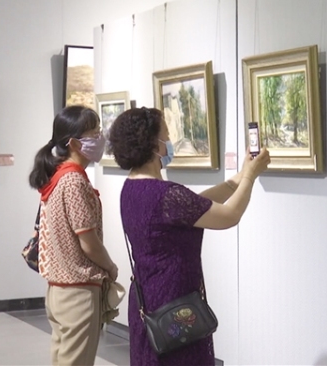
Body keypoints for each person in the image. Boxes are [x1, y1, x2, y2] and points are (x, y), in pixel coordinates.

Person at [107, 107, 270, 365]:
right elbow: (229, 216)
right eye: (166, 135)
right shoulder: (165, 195)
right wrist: (251, 175)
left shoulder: (131, 188)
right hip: (175, 306)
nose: (169, 141)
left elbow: (194, 206)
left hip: (147, 303)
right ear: (153, 145)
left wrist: (238, 178)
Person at [28, 105, 119, 366]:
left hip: (58, 290)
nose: (100, 138)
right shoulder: (74, 182)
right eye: (94, 133)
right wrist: (110, 267)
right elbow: (88, 242)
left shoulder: (57, 177)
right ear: (75, 143)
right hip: (78, 292)